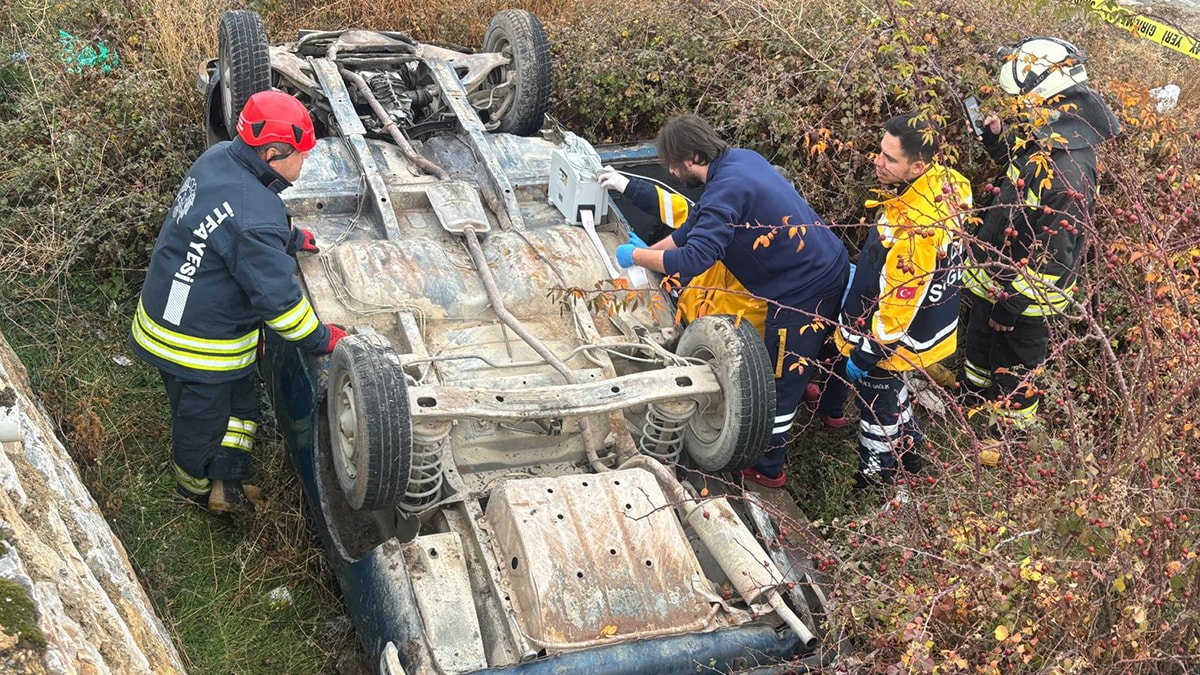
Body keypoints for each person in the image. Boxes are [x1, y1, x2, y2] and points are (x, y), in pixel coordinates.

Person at [129, 90, 346, 513]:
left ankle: (227, 477)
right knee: (202, 423)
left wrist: (285, 238)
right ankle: (195, 489)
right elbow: (282, 306)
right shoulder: (254, 215)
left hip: (174, 305)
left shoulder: (219, 159)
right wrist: (322, 339)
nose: (305, 162)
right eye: (300, 154)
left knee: (241, 408)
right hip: (194, 344)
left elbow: (226, 224)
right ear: (271, 153)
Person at [613, 114, 849, 488]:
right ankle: (828, 406)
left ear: (692, 157)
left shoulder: (724, 191)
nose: (673, 174)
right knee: (828, 350)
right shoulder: (742, 160)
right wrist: (652, 252)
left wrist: (636, 258)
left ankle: (769, 467)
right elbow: (693, 229)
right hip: (830, 261)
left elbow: (694, 258)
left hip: (802, 292)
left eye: (674, 166)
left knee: (778, 382)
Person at [961, 37, 1120, 463]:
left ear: (1044, 93)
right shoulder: (1049, 134)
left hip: (1025, 304)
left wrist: (1010, 305)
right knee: (979, 350)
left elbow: (1056, 254)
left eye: (1019, 99)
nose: (1016, 108)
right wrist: (996, 140)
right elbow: (1020, 168)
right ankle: (972, 402)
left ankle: (1004, 439)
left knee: (1014, 371)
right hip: (997, 276)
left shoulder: (1070, 168)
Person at [819, 112, 972, 490]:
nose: (878, 162)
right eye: (880, 152)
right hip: (930, 323)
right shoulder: (950, 183)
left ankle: (878, 470)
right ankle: (911, 445)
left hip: (890, 338)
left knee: (877, 404)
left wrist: (868, 353)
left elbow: (899, 302)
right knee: (895, 392)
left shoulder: (914, 230)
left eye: (890, 158)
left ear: (918, 165)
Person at [597, 167, 768, 334]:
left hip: (713, 339)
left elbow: (689, 261)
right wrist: (627, 186)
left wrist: (639, 256)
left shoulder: (761, 258)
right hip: (691, 306)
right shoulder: (733, 219)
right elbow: (681, 211)